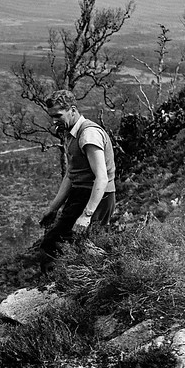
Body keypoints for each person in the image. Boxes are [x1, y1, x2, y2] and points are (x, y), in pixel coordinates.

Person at [38, 89, 116, 273]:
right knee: (55, 243)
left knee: (85, 246)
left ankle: (99, 284)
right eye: (52, 116)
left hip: (98, 197)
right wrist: (53, 208)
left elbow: (102, 177)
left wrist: (86, 215)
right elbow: (71, 174)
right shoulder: (69, 133)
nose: (54, 120)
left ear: (72, 110)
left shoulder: (88, 134)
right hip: (79, 194)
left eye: (58, 115)